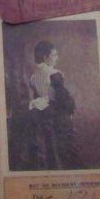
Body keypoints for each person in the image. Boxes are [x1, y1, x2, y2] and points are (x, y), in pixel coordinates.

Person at [24, 41, 81, 170]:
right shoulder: (53, 73)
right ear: (46, 58)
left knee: (50, 147)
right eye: (54, 55)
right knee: (66, 146)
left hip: (42, 115)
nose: (57, 58)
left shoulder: (33, 76)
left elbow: (37, 97)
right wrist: (70, 109)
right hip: (57, 115)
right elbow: (62, 96)